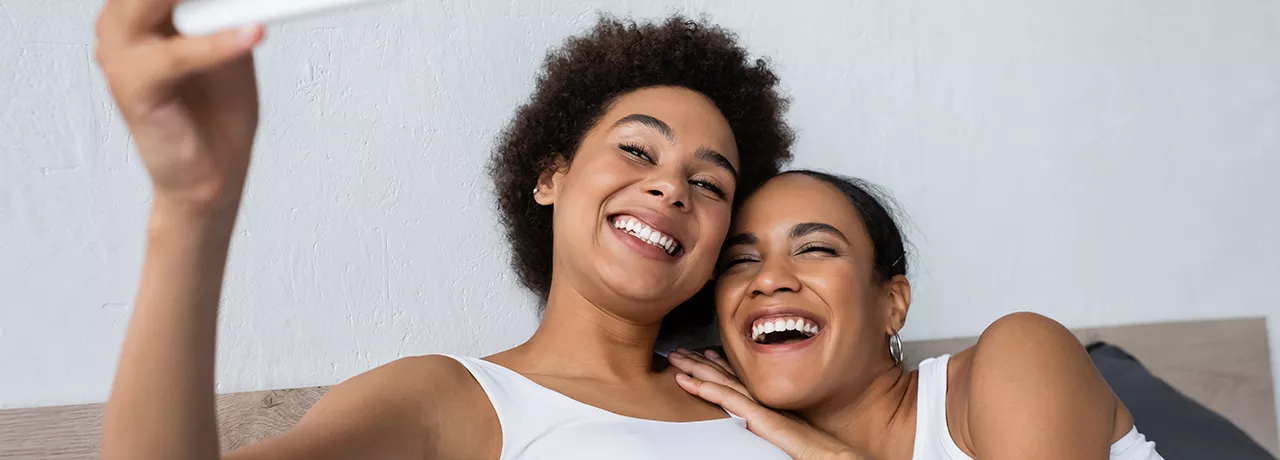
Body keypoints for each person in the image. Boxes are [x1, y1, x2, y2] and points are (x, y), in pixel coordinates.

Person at [93, 0, 797, 458]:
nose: (672, 188)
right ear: (550, 179)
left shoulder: (764, 387)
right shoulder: (449, 398)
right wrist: (194, 205)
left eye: (710, 184)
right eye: (638, 151)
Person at [668, 171, 1164, 460]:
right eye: (741, 260)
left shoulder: (1022, 353)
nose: (768, 279)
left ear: (893, 303)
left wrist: (825, 452)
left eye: (816, 248)